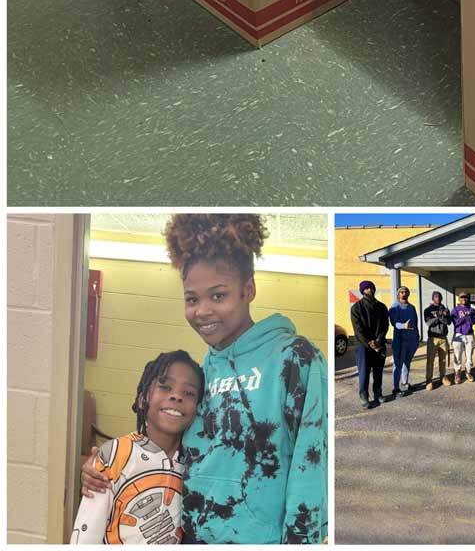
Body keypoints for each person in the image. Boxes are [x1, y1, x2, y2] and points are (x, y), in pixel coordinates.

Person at [81, 214, 328, 544]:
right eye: (192, 299)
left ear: (248, 289)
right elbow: (167, 450)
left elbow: (312, 471)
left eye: (218, 296)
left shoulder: (295, 359)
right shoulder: (202, 375)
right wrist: (106, 467)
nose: (202, 311)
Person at [72, 351, 203, 544]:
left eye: (189, 393)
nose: (176, 396)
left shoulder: (198, 463)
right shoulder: (115, 454)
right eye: (165, 387)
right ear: (142, 399)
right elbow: (86, 534)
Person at [351, 280, 389, 410]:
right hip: (363, 346)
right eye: (366, 289)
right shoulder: (356, 308)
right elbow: (358, 329)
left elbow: (385, 325)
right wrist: (369, 342)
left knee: (378, 372)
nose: (369, 290)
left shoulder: (382, 307)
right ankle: (364, 396)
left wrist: (378, 340)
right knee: (364, 372)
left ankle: (378, 394)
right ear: (362, 291)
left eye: (371, 288)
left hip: (379, 344)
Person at [388, 286, 420, 397]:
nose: (404, 293)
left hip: (412, 340)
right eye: (401, 292)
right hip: (400, 340)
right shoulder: (395, 307)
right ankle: (396, 388)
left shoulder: (412, 307)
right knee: (398, 364)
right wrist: (403, 325)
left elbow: (415, 323)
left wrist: (417, 337)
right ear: (398, 294)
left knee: (407, 362)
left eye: (406, 292)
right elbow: (393, 322)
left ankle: (405, 382)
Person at [423, 290, 452, 390]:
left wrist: (444, 314)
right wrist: (439, 315)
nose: (438, 298)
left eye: (439, 297)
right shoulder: (428, 310)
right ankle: (429, 380)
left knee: (443, 360)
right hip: (433, 338)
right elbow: (429, 323)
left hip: (443, 338)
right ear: (432, 298)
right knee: (430, 360)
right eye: (435, 297)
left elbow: (448, 322)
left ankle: (443, 377)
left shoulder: (445, 309)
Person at [450, 292, 475, 384]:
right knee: (457, 355)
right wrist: (464, 317)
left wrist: (470, 316)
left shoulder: (471, 309)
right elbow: (455, 322)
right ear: (459, 299)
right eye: (462, 297)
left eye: (465, 297)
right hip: (459, 334)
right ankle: (457, 373)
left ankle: (468, 372)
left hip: (469, 334)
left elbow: (473, 321)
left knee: (469, 355)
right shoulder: (455, 309)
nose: (464, 299)